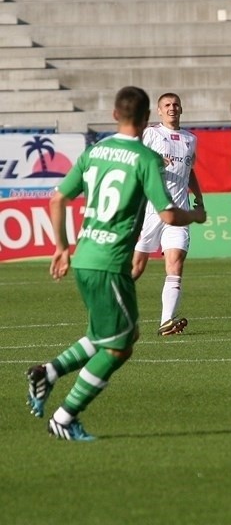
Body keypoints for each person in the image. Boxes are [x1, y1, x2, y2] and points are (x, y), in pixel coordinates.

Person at [26, 86, 207, 441]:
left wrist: (61, 247)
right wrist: (196, 215)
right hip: (110, 262)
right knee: (120, 345)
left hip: (86, 256)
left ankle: (47, 373)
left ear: (114, 115)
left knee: (108, 335)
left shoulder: (95, 151)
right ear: (145, 120)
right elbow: (169, 213)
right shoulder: (145, 158)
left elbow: (58, 198)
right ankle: (64, 416)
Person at [131, 92, 204, 336]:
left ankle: (166, 321)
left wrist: (199, 198)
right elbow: (134, 161)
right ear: (159, 111)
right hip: (150, 210)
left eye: (175, 104)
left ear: (181, 109)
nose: (172, 108)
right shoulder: (151, 134)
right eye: (167, 105)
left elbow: (189, 171)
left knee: (175, 263)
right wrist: (153, 160)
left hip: (180, 212)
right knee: (136, 268)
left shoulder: (190, 139)